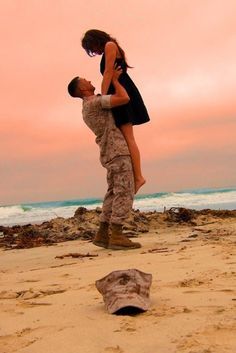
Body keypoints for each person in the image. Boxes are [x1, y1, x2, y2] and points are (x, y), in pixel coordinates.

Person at [67, 66, 141, 250]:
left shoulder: (86, 107)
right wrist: (115, 80)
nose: (90, 80)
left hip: (109, 153)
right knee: (124, 191)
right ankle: (116, 235)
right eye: (85, 80)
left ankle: (102, 233)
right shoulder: (94, 102)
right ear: (82, 89)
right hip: (117, 151)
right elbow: (124, 98)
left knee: (113, 192)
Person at [81, 29, 150, 194]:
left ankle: (139, 177)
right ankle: (137, 175)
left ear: (96, 40)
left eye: (92, 48)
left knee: (129, 138)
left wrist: (103, 98)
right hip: (119, 89)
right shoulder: (110, 47)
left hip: (121, 90)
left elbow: (108, 72)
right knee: (126, 138)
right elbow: (109, 74)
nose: (95, 52)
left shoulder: (110, 45)